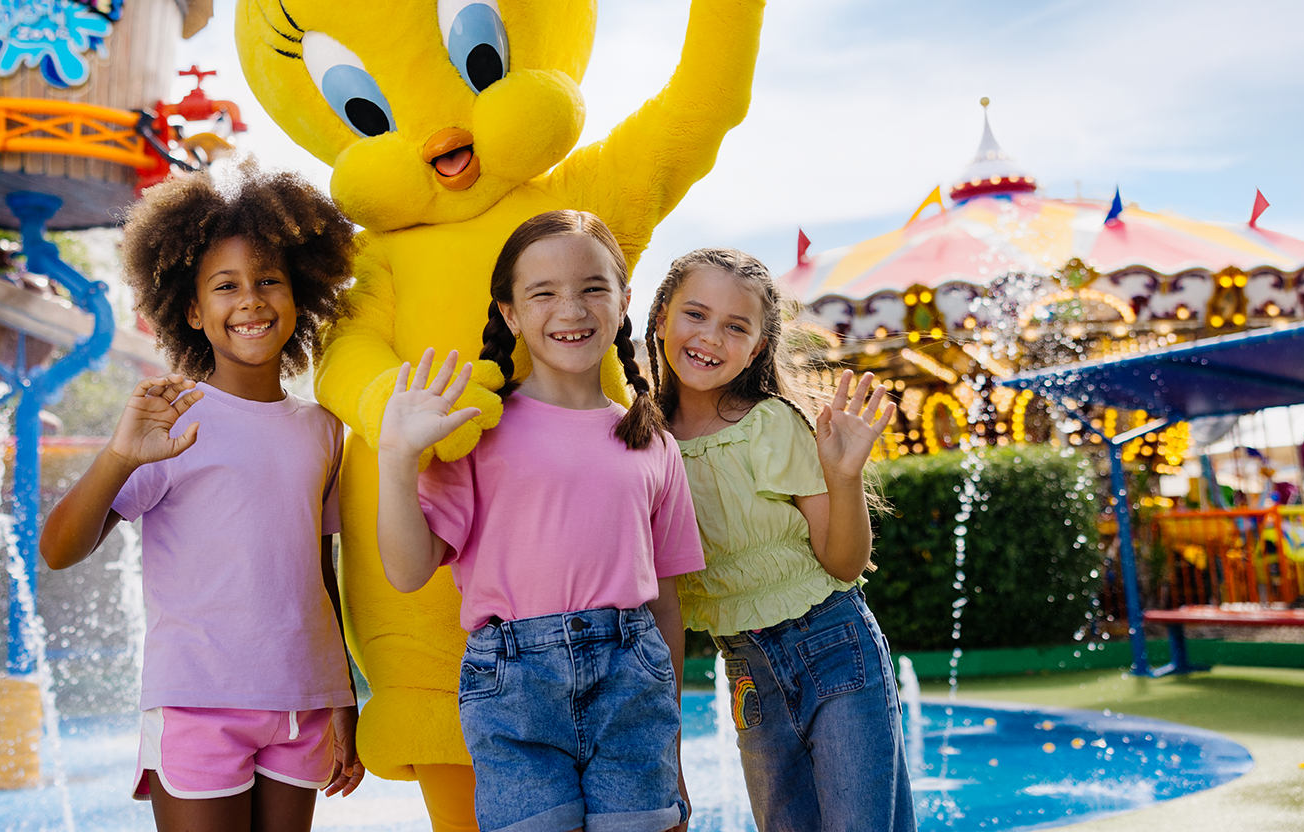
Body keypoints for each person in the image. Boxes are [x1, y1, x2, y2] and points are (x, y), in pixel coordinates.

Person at [38, 165, 364, 832]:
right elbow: (58, 550)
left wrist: (343, 699)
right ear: (192, 311)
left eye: (268, 280)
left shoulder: (325, 430)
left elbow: (320, 574)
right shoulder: (168, 418)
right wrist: (121, 455)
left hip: (302, 705)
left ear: (298, 295)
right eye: (226, 286)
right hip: (196, 701)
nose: (251, 300)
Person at [375, 210, 704, 832]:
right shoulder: (478, 430)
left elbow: (666, 605)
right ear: (511, 313)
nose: (571, 310)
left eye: (592, 288)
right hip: (512, 687)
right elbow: (407, 569)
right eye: (543, 293)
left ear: (625, 298)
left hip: (635, 682)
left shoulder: (652, 439)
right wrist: (397, 456)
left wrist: (674, 747)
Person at [645, 248, 915, 832]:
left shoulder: (772, 424)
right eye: (695, 314)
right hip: (745, 668)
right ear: (662, 315)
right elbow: (660, 601)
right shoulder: (645, 447)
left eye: (735, 327)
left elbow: (844, 563)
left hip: (834, 640)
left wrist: (843, 478)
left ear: (758, 346)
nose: (710, 337)